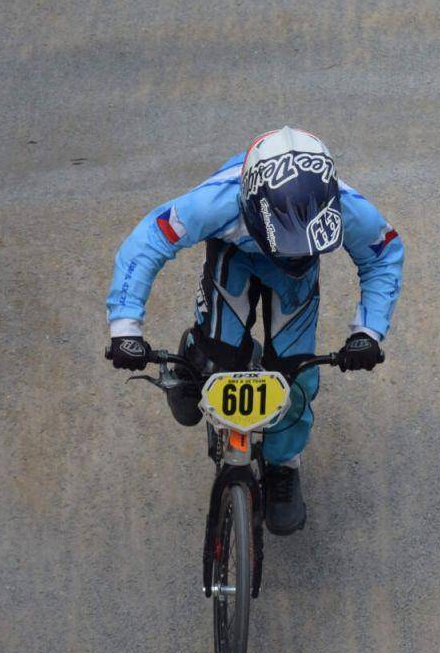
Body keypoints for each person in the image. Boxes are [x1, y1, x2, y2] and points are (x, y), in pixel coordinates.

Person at [104, 128, 404, 535]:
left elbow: (385, 255)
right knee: (216, 359)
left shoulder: (345, 204)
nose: (292, 252)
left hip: (294, 281)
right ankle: (196, 354)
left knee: (295, 379)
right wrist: (125, 327)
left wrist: (368, 332)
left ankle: (284, 465)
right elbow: (148, 241)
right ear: (252, 207)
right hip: (236, 257)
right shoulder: (215, 202)